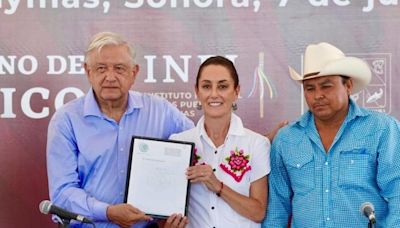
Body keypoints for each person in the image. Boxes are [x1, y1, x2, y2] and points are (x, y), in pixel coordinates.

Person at [46, 32, 194, 228]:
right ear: (88, 72)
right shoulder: (66, 120)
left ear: (134, 72)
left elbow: (199, 147)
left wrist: (171, 208)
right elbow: (62, 193)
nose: (110, 77)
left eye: (119, 68)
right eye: (101, 69)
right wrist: (108, 213)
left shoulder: (161, 112)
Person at [262, 42, 400, 227]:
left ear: (348, 85)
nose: (317, 95)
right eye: (309, 88)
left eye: (326, 86)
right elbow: (277, 209)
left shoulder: (382, 129)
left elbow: (397, 193)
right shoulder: (286, 139)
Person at [169, 56, 271, 228]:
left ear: (236, 91)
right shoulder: (179, 143)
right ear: (197, 91)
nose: (214, 94)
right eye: (207, 86)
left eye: (223, 86)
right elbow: (167, 205)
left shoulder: (257, 144)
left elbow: (258, 212)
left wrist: (218, 186)